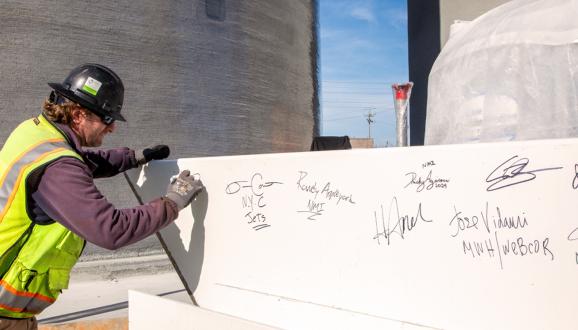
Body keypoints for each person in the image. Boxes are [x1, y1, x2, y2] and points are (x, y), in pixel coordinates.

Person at [0, 63, 204, 329]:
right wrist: (172, 202)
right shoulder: (58, 167)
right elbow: (110, 229)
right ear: (78, 115)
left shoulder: (35, 132)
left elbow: (78, 159)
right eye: (107, 119)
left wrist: (133, 158)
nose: (111, 128)